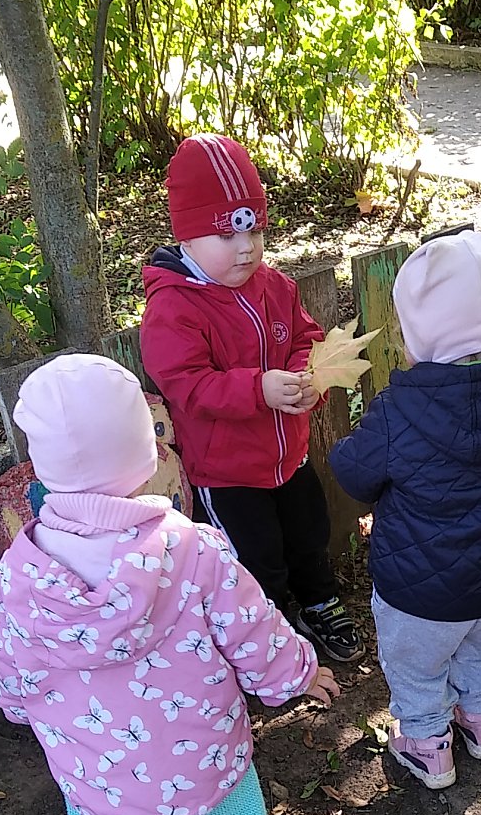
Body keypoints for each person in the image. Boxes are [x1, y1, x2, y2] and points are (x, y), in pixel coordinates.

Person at [0, 353, 339, 815]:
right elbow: (252, 629)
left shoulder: (21, 570)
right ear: (146, 453)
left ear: (42, 465)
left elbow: (10, 658)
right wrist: (297, 674)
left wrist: (17, 704)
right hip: (201, 753)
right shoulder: (191, 548)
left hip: (93, 760)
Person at [329, 230, 481, 790]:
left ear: (423, 334)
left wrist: (344, 447)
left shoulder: (399, 410)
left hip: (416, 592)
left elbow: (355, 475)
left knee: (417, 670)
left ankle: (427, 746)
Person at [139, 133, 360, 664]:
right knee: (253, 558)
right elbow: (187, 383)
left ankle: (318, 600)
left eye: (255, 229)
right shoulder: (174, 308)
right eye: (227, 235)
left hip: (288, 455)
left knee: (309, 532)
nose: (246, 247)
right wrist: (257, 388)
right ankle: (265, 630)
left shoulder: (274, 286)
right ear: (187, 237)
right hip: (227, 473)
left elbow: (305, 337)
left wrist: (309, 374)